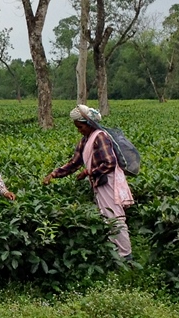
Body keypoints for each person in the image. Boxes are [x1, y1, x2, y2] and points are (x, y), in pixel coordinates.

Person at [43, 104, 134, 261]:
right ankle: (114, 254)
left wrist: (88, 172)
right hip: (100, 183)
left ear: (89, 124)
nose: (79, 130)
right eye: (77, 127)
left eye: (80, 127)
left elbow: (109, 163)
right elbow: (74, 162)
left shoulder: (100, 137)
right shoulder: (85, 141)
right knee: (107, 217)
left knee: (115, 218)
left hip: (109, 183)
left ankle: (125, 256)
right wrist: (54, 174)